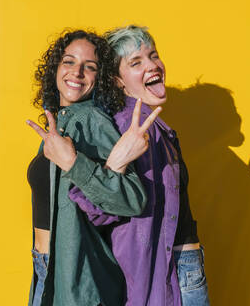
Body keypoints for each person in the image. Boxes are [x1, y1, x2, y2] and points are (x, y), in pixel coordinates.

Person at [69, 25, 210, 305]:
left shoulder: (156, 127)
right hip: (171, 275)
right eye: (136, 62)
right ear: (118, 81)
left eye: (153, 55)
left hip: (181, 269)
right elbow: (96, 208)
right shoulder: (130, 126)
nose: (152, 65)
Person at [25, 29, 160, 306]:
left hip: (80, 279)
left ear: (99, 78)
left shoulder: (94, 121)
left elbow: (131, 199)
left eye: (90, 67)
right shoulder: (58, 123)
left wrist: (74, 164)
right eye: (69, 62)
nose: (77, 72)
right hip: (45, 268)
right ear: (55, 68)